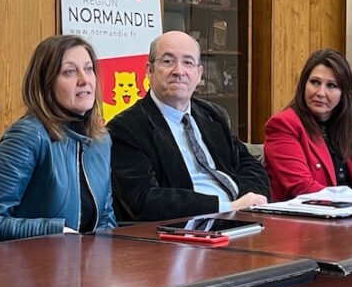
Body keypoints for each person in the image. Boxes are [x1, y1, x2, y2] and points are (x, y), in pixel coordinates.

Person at [107, 30, 270, 222]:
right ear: (149, 71)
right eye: (168, 61)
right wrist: (226, 207)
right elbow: (142, 199)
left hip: (239, 221)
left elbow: (250, 164)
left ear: (199, 74)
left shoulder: (212, 115)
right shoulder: (127, 128)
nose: (179, 71)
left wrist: (249, 202)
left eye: (188, 62)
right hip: (182, 233)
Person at [0, 35, 117, 241]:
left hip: (86, 266)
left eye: (88, 69)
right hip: (32, 266)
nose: (84, 79)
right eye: (70, 71)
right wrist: (56, 232)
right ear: (46, 84)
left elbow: (105, 220)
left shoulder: (101, 139)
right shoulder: (28, 135)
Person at [264, 49, 352, 201]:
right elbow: (303, 188)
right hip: (307, 220)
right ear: (304, 85)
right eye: (315, 82)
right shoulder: (284, 125)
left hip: (351, 218)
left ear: (344, 93)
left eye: (331, 85)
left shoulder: (347, 127)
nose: (320, 92)